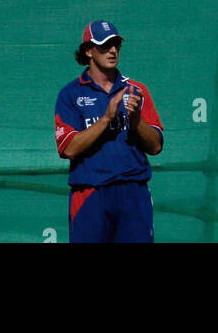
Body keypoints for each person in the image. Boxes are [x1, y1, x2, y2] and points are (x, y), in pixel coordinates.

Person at [55, 21, 164, 244]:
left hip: (133, 192)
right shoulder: (71, 94)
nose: (112, 51)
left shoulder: (136, 90)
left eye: (115, 45)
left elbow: (156, 146)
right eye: (105, 45)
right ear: (88, 50)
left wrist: (135, 121)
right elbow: (69, 148)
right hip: (90, 193)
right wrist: (106, 119)